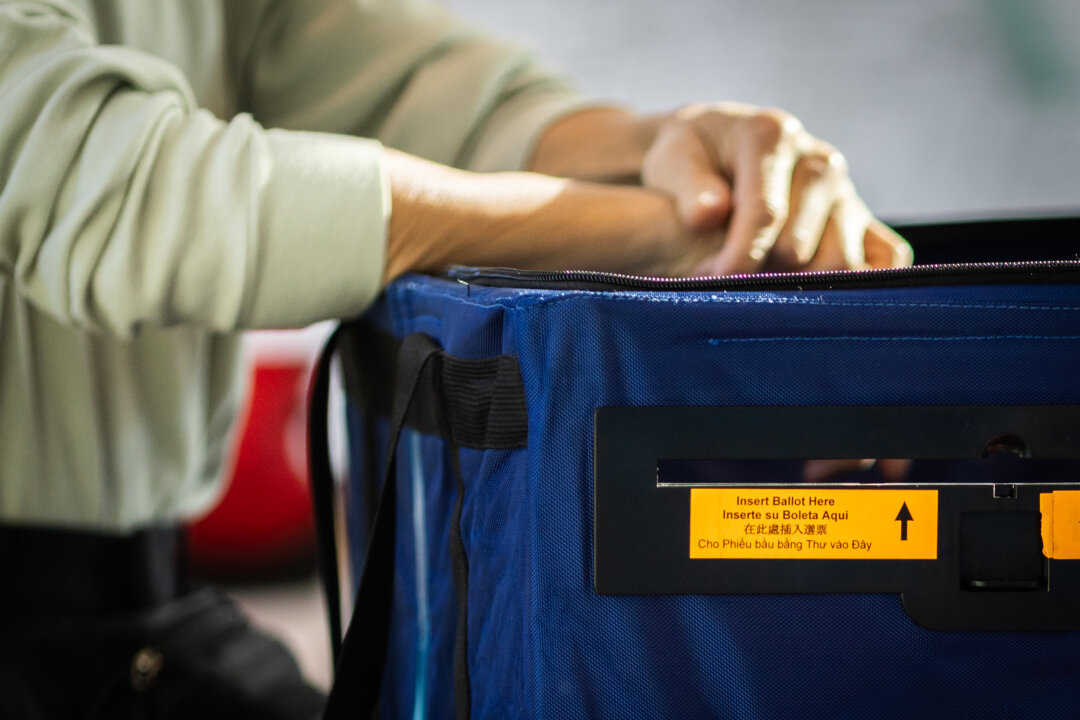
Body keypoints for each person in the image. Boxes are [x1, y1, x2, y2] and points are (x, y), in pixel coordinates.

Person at [0, 0, 911, 717]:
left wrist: (665, 152)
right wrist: (650, 232)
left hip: (143, 616)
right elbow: (108, 189)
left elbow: (406, 85)